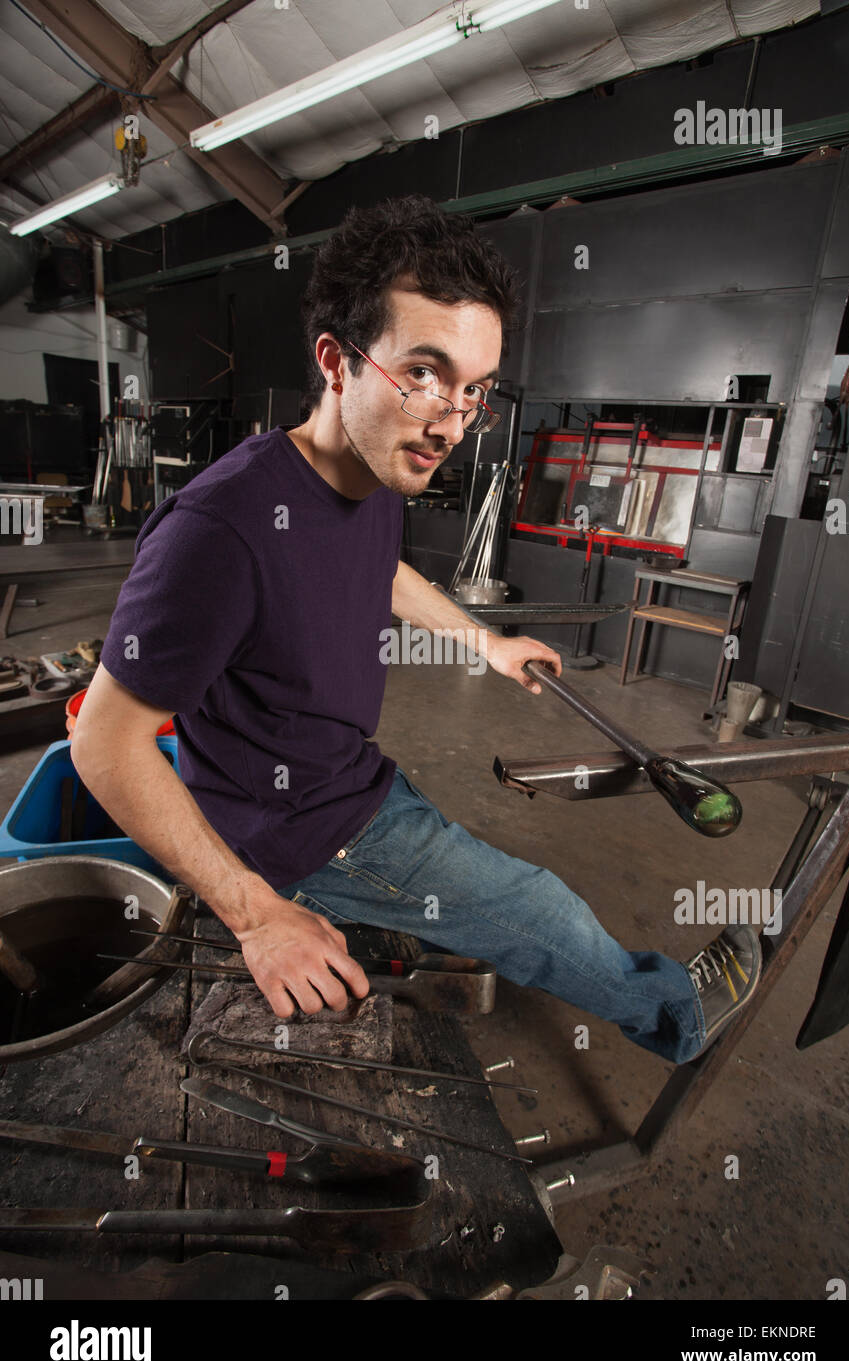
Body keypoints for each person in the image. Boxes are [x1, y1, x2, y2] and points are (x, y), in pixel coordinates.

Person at [71, 194, 760, 1065]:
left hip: (354, 777)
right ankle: (678, 1017)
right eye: (425, 373)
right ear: (336, 360)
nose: (451, 420)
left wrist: (484, 642)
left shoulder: (370, 472)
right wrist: (257, 914)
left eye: (474, 390)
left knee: (467, 888)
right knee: (537, 907)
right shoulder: (220, 531)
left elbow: (379, 572)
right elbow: (105, 744)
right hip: (295, 832)